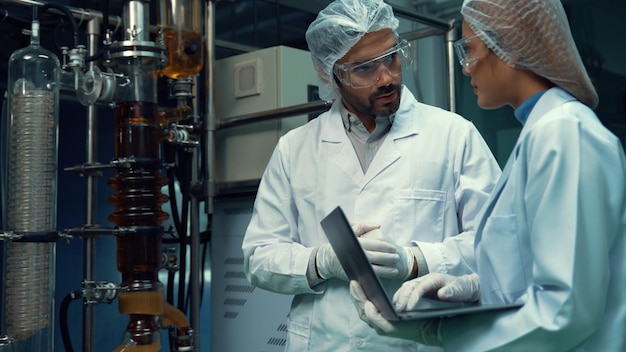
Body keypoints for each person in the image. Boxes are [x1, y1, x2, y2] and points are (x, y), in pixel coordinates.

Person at [350, 0, 626, 350]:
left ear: (507, 47)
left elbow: (564, 310)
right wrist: (470, 289)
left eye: (469, 50)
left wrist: (439, 332)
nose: (466, 69)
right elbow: (539, 268)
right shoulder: (542, 134)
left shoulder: (564, 134)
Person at [241, 0, 502, 351]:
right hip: (324, 342)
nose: (387, 78)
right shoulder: (295, 149)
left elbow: (499, 244)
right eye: (364, 68)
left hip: (417, 341)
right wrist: (320, 262)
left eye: (392, 57)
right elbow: (258, 257)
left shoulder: (455, 136)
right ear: (329, 73)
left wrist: (415, 260)